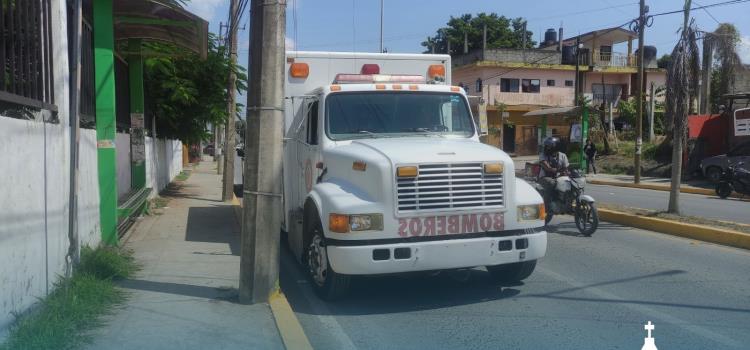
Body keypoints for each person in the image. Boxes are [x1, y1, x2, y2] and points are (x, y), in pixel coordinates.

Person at [538, 137, 569, 202]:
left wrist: (568, 172)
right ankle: (547, 204)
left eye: (548, 147)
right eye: (546, 146)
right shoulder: (543, 155)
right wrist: (557, 170)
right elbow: (547, 167)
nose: (546, 148)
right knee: (552, 183)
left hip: (559, 177)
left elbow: (566, 167)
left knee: (570, 182)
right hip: (545, 177)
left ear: (555, 147)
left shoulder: (562, 155)